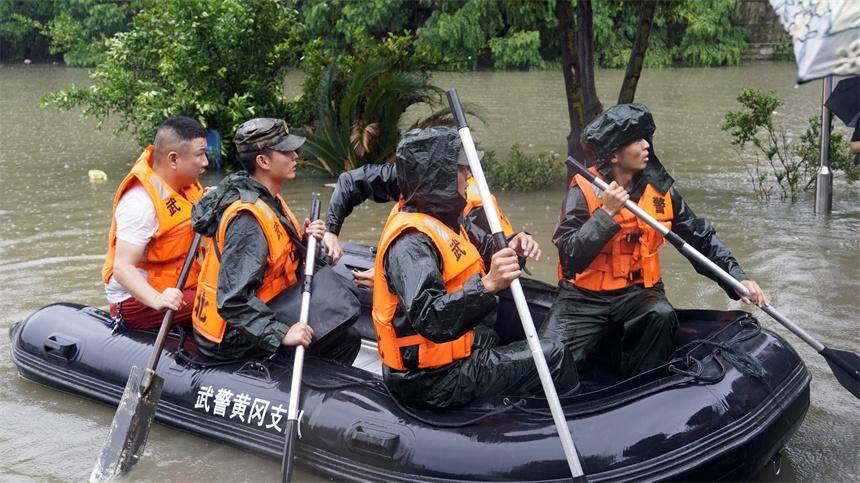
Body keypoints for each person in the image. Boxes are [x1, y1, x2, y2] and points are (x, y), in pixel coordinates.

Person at [541, 103, 768, 378]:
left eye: (646, 138)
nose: (646, 145)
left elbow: (700, 240)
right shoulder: (585, 190)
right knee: (549, 357)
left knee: (660, 313)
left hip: (640, 292)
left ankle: (642, 387)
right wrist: (606, 214)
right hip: (584, 298)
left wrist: (736, 279)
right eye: (636, 140)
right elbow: (569, 256)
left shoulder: (661, 192)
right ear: (614, 154)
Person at [371, 126, 578, 409]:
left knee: (499, 334)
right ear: (437, 176)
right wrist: (488, 285)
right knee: (553, 353)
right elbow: (430, 317)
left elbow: (489, 254)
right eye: (461, 169)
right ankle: (566, 423)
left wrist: (515, 249)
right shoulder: (411, 244)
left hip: (450, 354)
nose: (469, 176)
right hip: (431, 380)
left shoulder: (446, 219)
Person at [191, 118, 359, 363]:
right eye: (287, 151)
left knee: (345, 305)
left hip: (266, 304)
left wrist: (305, 241)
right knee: (345, 340)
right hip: (232, 334)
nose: (295, 156)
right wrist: (281, 333)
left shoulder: (269, 197)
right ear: (263, 161)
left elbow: (276, 255)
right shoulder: (247, 221)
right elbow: (233, 301)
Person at [323, 139, 529, 288]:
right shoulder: (417, 178)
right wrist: (331, 231)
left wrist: (391, 278)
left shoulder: (471, 205)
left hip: (469, 285)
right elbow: (351, 181)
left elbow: (475, 269)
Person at [102, 116, 209, 330]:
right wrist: (157, 299)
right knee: (224, 303)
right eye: (200, 155)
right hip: (137, 302)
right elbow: (122, 269)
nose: (206, 162)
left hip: (180, 285)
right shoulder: (140, 204)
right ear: (173, 159)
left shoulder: (185, 187)